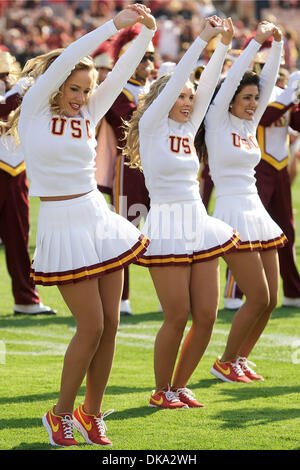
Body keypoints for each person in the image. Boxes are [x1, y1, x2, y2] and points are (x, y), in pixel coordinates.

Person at [2, 4, 156, 447]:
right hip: (61, 222)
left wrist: (144, 36)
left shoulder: (89, 114)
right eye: (74, 87)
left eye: (86, 89)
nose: (81, 96)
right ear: (58, 83)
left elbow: (121, 73)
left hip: (97, 218)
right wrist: (113, 27)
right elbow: (71, 54)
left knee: (110, 323)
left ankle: (90, 414)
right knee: (90, 326)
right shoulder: (33, 111)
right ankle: (60, 414)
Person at [123, 16, 240, 408]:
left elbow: (206, 88)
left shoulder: (188, 130)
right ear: (164, 99)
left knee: (206, 315)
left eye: (190, 98)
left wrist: (223, 44)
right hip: (168, 224)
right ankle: (160, 390)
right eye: (181, 96)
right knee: (177, 316)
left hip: (198, 223)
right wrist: (202, 40)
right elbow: (182, 79)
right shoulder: (154, 126)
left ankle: (179, 385)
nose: (188, 101)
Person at [201, 20, 285, 382]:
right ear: (231, 99)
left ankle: (238, 359)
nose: (253, 103)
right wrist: (256, 43)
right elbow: (236, 75)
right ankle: (224, 360)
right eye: (246, 98)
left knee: (271, 301)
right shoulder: (218, 122)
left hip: (257, 211)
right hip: (233, 212)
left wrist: (278, 46)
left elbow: (267, 85)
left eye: (255, 98)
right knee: (256, 296)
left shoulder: (250, 125)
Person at [96, 24, 155, 315]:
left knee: (171, 230)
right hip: (129, 167)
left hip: (160, 168)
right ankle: (122, 298)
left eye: (150, 58)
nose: (149, 64)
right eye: (142, 57)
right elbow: (132, 119)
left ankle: (175, 296)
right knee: (125, 232)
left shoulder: (154, 87)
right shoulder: (116, 89)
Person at [0, 51, 56, 316]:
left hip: (16, 173)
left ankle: (26, 298)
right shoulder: (18, 96)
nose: (1, 80)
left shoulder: (21, 93)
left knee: (19, 239)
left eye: (3, 75)